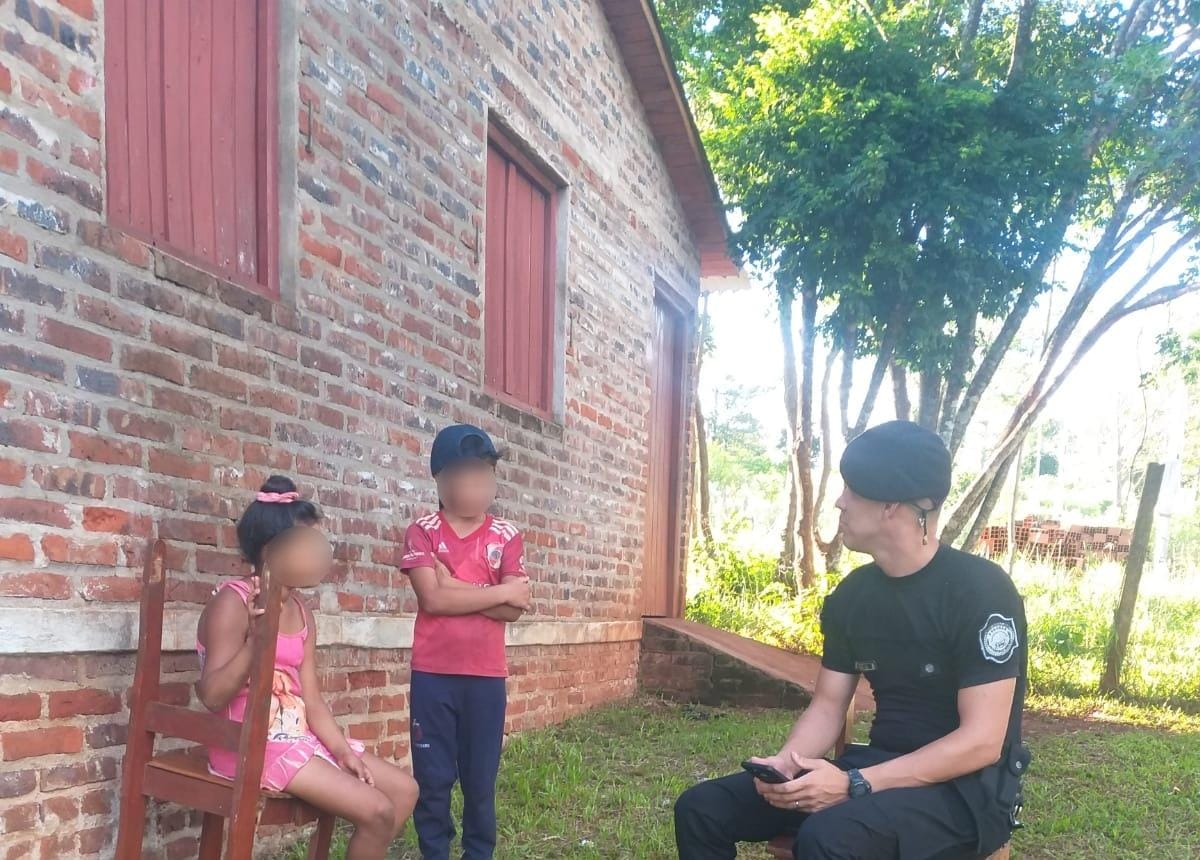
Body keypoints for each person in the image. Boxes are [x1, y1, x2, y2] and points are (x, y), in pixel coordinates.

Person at [675, 421, 1029, 860]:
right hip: (875, 771)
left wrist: (853, 784)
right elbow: (828, 705)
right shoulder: (853, 597)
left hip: (965, 793)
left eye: (852, 489)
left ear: (890, 504)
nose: (840, 502)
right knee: (702, 808)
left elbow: (981, 741)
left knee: (828, 836)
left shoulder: (980, 591)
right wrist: (788, 764)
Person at [196, 476, 418, 860]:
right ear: (271, 552)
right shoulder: (232, 604)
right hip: (247, 745)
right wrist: (257, 642)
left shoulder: (301, 612)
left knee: (403, 791)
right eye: (308, 547)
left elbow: (311, 700)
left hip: (296, 739)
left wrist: (342, 750)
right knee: (378, 811)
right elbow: (212, 696)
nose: (320, 558)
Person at [399, 424, 532, 860]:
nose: (476, 485)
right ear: (440, 479)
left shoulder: (506, 535)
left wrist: (457, 585)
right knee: (433, 780)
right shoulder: (423, 532)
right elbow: (433, 600)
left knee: (480, 782)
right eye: (464, 474)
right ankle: (434, 853)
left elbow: (518, 608)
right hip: (434, 676)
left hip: (485, 678)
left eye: (484, 474)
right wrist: (494, 591)